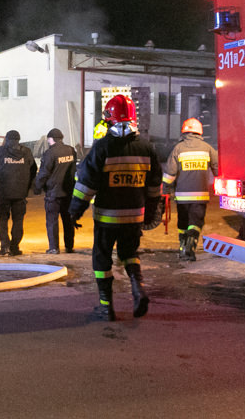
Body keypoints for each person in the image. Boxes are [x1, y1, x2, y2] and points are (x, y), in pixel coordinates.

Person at [69, 95, 162, 321]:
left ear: (109, 119)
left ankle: (106, 306)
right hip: (134, 216)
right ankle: (138, 288)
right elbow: (154, 186)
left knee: (102, 259)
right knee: (130, 254)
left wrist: (74, 211)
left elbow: (86, 185)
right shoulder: (146, 148)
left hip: (107, 218)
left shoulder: (103, 147)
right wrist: (149, 214)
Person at [163, 118, 218, 261]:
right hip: (200, 196)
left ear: (184, 131)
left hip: (182, 197)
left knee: (183, 223)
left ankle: (182, 248)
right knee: (196, 222)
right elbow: (219, 169)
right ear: (199, 132)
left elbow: (170, 173)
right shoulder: (208, 148)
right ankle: (190, 248)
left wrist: (165, 189)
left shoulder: (178, 148)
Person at [0, 130, 36, 256]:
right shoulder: (26, 152)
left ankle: (5, 247)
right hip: (21, 193)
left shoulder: (0, 151)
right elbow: (33, 169)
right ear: (19, 140)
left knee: (2, 219)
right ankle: (15, 247)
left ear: (7, 139)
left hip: (3, 193)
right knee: (18, 220)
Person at [34, 128, 77, 254]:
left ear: (50, 139)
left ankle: (54, 247)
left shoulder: (50, 153)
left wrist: (37, 187)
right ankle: (69, 246)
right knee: (68, 220)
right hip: (68, 191)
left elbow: (44, 173)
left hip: (53, 193)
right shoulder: (70, 150)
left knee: (52, 220)